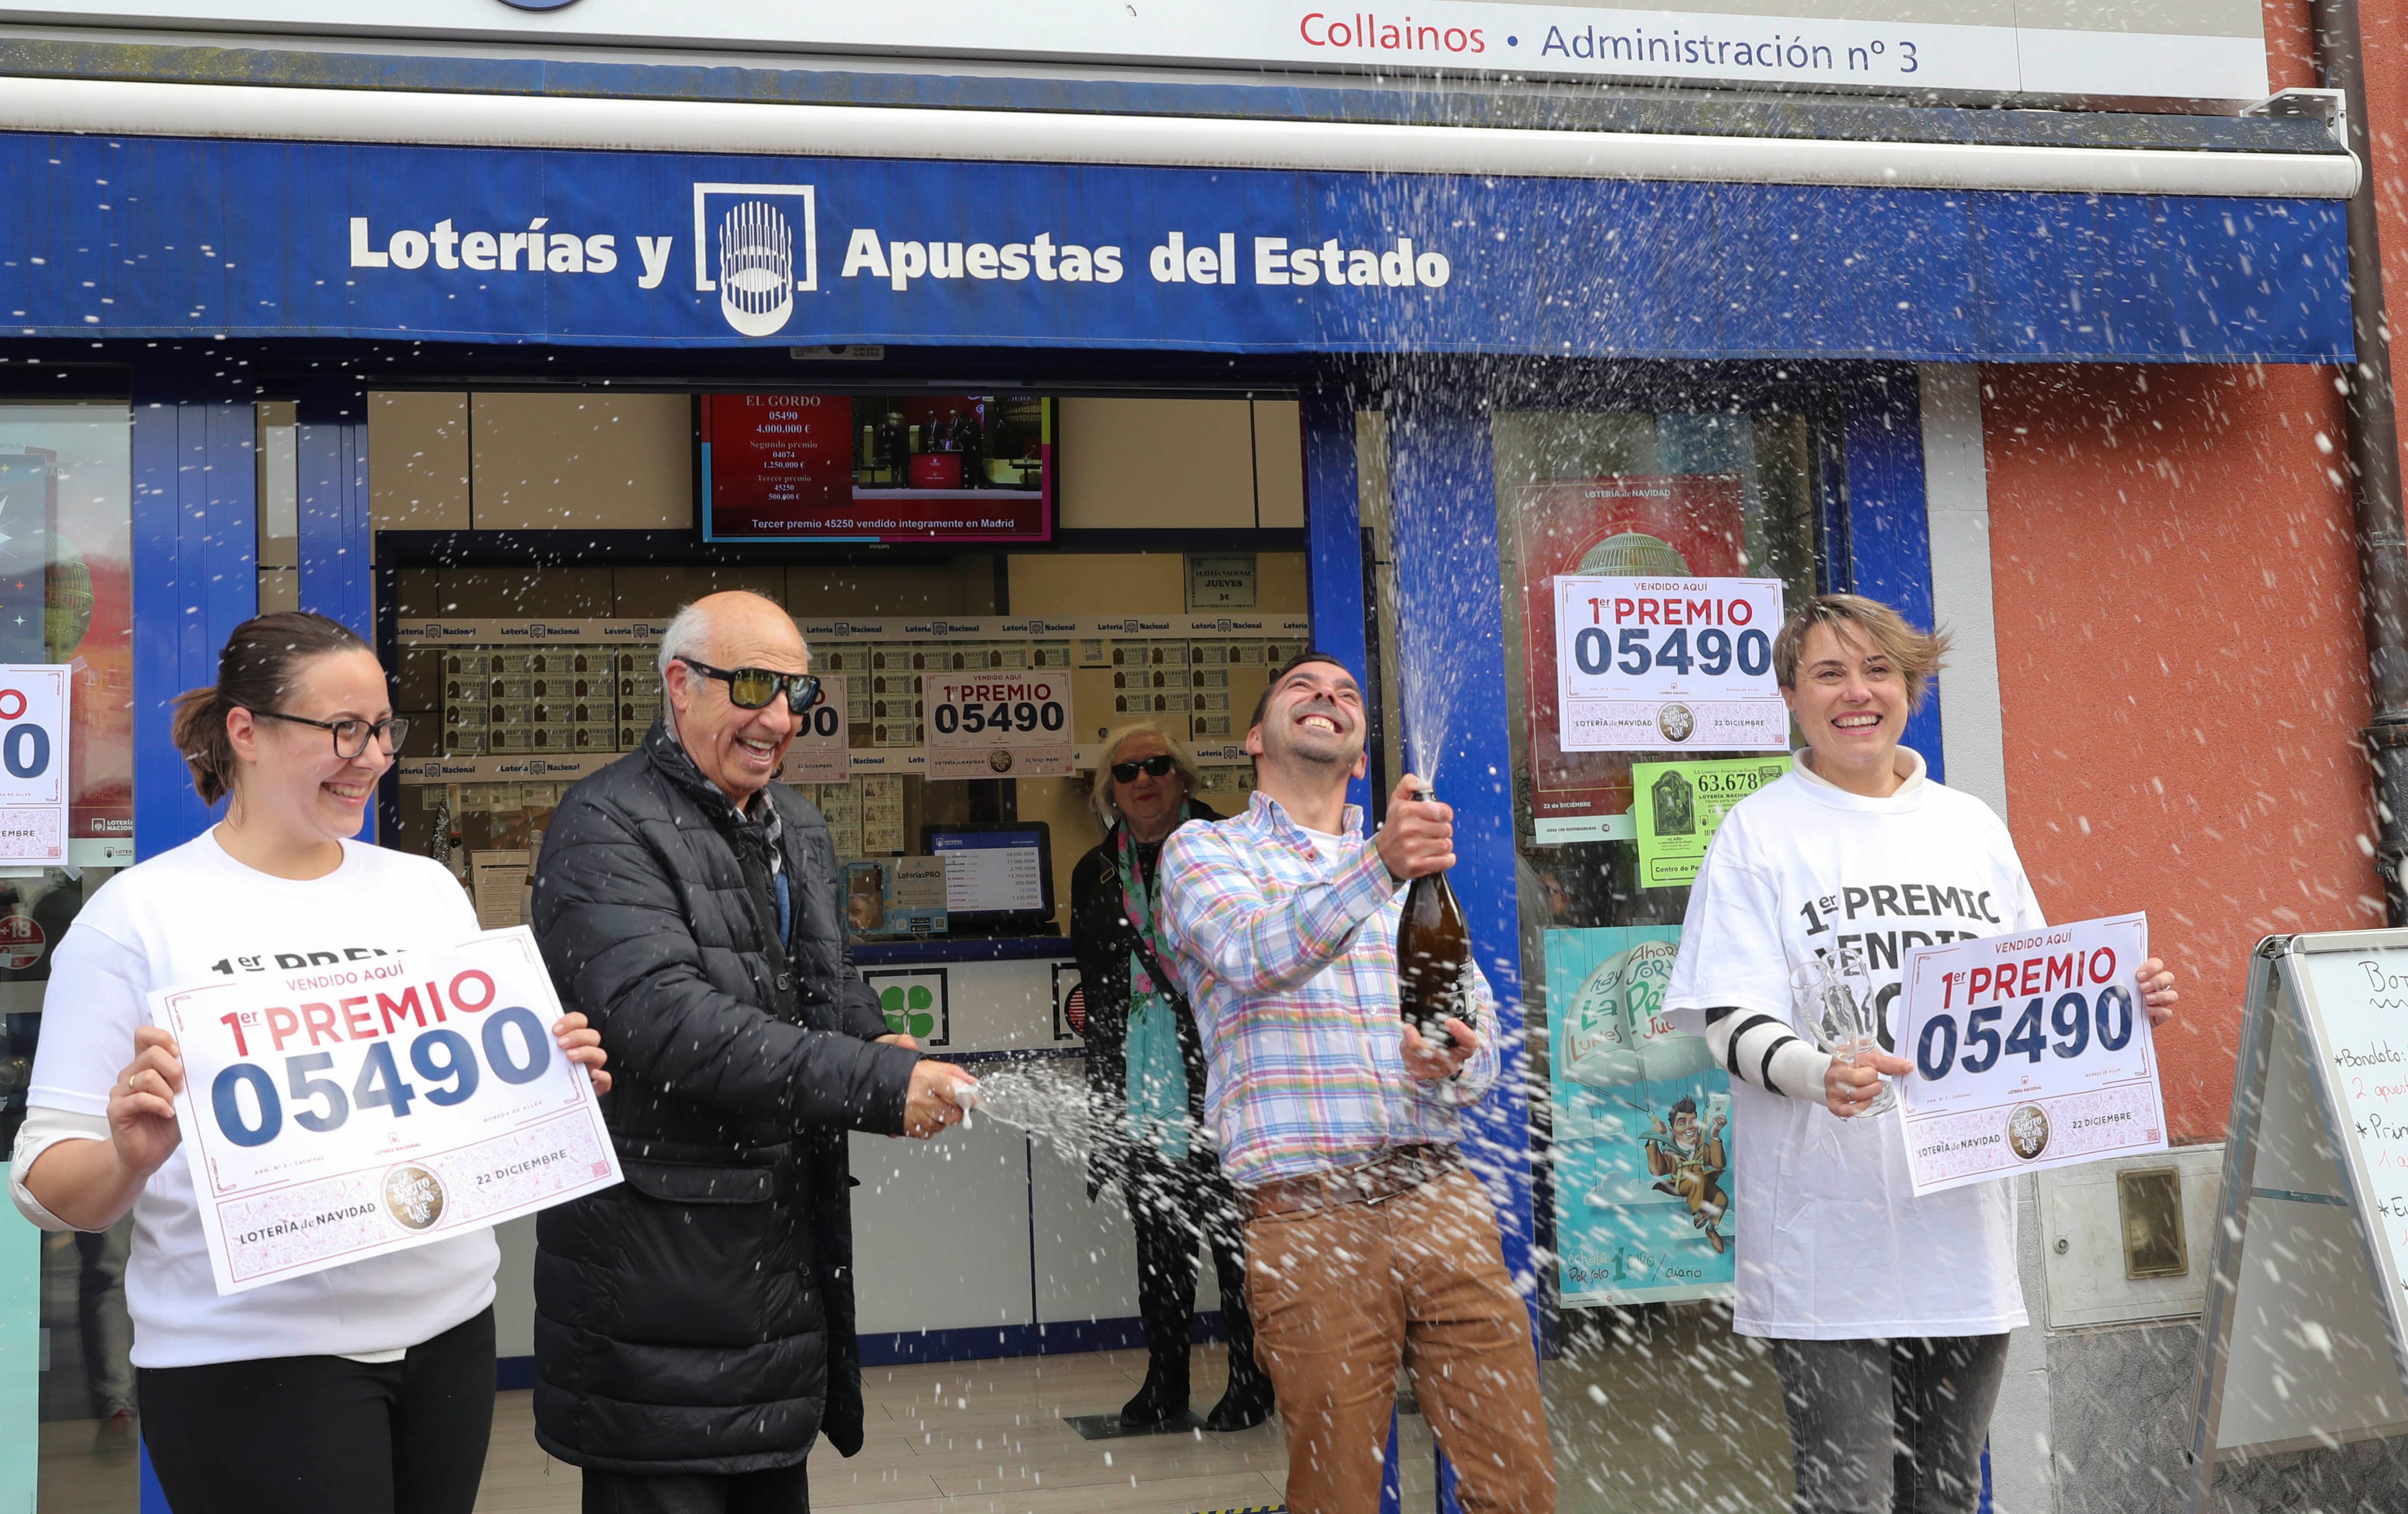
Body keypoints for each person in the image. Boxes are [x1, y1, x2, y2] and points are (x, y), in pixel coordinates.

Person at [8, 610, 611, 1513]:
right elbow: (44, 1184)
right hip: (246, 1359)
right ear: (245, 732)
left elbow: (449, 1098)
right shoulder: (138, 918)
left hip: (447, 1329)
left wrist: (545, 1077)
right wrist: (131, 1155)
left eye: (382, 729)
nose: (372, 756)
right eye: (343, 729)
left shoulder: (423, 892)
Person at [1663, 593, 2180, 1514]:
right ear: (1791, 693)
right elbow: (1728, 1023)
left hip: (1964, 1239)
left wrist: (2122, 1007)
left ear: (1912, 689)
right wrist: (1820, 1074)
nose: (1856, 693)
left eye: (1879, 672)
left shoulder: (1971, 827)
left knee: (1941, 1497)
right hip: (1827, 1243)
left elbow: (2035, 1001)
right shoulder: (1758, 833)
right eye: (1830, 672)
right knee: (1847, 1498)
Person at [529, 589, 977, 1514]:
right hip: (655, 1283)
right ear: (680, 685)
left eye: (796, 692)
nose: (778, 718)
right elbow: (667, 1023)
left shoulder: (796, 826)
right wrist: (875, 1080)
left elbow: (822, 982)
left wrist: (870, 1035)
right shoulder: (603, 825)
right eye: (755, 686)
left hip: (774, 1276)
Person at [1157, 650, 1557, 1514]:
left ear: (1363, 753)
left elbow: (1480, 1031)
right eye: (1302, 688)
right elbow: (1254, 953)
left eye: (1345, 693)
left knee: (1516, 1477)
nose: (1327, 696)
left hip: (1442, 1197)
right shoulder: (1203, 852)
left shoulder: (1410, 871)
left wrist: (1455, 1059)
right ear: (1254, 738)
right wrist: (1380, 862)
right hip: (1309, 1215)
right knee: (1338, 1488)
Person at [1069, 721, 1274, 1431]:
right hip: (1141, 1073)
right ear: (1111, 792)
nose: (1144, 779)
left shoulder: (1229, 847)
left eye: (1158, 765)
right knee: (1159, 1236)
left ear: (1184, 777)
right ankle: (1165, 1381)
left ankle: (1252, 1381)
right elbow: (1094, 974)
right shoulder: (1095, 871)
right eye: (1127, 772)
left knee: (1234, 1234)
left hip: (1219, 1063)